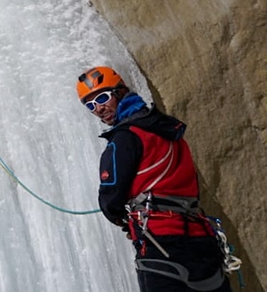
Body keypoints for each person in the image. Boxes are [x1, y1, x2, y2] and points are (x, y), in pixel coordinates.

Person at [77, 66, 233, 292]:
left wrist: (125, 220)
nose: (99, 108)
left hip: (162, 244)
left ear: (120, 91)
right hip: (201, 239)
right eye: (90, 105)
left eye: (102, 97)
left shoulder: (125, 138)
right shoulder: (167, 130)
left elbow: (111, 199)